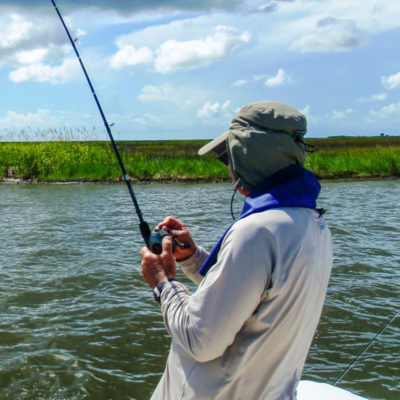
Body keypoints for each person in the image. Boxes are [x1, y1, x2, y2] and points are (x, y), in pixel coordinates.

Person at [139, 101, 333, 400]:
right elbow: (248, 300)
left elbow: (199, 339)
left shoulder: (256, 232)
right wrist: (192, 259)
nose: (228, 167)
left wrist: (163, 283)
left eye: (227, 156)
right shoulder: (312, 224)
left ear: (248, 156)